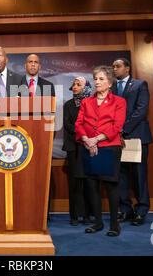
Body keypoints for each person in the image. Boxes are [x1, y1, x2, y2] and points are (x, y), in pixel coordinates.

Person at [75, 66, 126, 237]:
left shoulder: (119, 102)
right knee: (91, 186)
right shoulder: (85, 102)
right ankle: (97, 223)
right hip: (88, 146)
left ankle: (114, 225)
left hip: (108, 147)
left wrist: (96, 139)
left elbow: (116, 126)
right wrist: (87, 141)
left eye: (101, 79)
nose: (97, 82)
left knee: (111, 187)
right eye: (95, 78)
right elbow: (79, 124)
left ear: (110, 83)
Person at [112, 58, 153, 226]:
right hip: (116, 139)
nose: (115, 69)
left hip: (136, 136)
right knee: (121, 176)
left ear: (127, 68)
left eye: (118, 66)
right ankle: (126, 210)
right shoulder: (112, 88)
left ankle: (141, 211)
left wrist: (123, 129)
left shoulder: (139, 84)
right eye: (113, 67)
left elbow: (141, 110)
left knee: (139, 175)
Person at [62, 76, 93, 226]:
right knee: (74, 182)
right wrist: (82, 134)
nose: (74, 87)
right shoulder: (68, 105)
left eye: (78, 84)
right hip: (73, 147)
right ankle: (74, 215)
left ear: (85, 87)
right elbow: (68, 125)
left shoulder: (92, 104)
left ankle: (87, 215)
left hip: (88, 147)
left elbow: (93, 124)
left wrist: (87, 138)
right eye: (73, 84)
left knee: (88, 182)